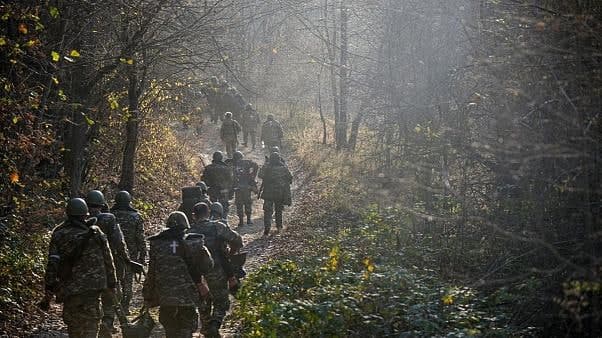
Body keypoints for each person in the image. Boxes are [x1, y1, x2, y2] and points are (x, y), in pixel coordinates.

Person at [41, 198, 117, 337]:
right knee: (92, 325)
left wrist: (49, 287)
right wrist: (112, 283)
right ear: (85, 214)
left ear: (68, 214)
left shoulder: (59, 234)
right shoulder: (95, 232)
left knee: (74, 328)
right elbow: (108, 258)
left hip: (70, 289)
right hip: (93, 287)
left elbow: (53, 263)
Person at [143, 211, 213, 338]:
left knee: (170, 327)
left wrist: (147, 293)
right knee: (186, 326)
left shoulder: (156, 243)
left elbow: (151, 271)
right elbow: (208, 266)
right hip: (188, 294)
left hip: (165, 295)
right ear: (185, 225)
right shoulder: (194, 241)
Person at [189, 203, 243, 338]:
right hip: (218, 270)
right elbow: (237, 239)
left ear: (193, 216)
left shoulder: (188, 233)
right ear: (208, 213)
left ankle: (207, 328)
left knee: (203, 302)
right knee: (222, 301)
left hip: (198, 275)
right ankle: (214, 324)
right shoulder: (218, 227)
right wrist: (231, 254)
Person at [85, 190, 130, 336]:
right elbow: (119, 242)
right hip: (108, 264)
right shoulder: (109, 219)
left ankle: (93, 325)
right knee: (111, 295)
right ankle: (107, 322)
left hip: (85, 269)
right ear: (102, 204)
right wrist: (126, 259)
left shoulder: (79, 221)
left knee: (90, 298)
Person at [111, 190, 146, 315]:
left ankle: (114, 307)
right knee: (127, 281)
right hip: (130, 255)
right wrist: (142, 256)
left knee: (114, 280)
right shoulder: (136, 216)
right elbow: (140, 238)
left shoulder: (110, 215)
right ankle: (125, 306)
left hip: (112, 254)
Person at [259, 152, 293, 235]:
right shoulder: (283, 168)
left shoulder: (267, 167)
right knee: (279, 210)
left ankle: (267, 228)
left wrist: (266, 165)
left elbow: (260, 175)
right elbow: (290, 178)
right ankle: (279, 226)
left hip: (268, 193)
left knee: (267, 211)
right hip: (280, 193)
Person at [202, 151, 233, 220]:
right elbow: (230, 181)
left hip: (212, 190)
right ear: (221, 158)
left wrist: (210, 184)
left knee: (213, 206)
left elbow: (204, 180)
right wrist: (229, 190)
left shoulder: (208, 168)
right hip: (223, 190)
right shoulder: (226, 168)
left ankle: (213, 219)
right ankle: (224, 220)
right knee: (224, 206)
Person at [231, 151, 259, 227]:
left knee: (239, 204)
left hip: (238, 188)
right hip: (246, 186)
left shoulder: (232, 164)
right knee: (247, 202)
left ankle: (241, 222)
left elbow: (229, 176)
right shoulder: (247, 162)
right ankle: (249, 220)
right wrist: (252, 175)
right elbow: (256, 165)